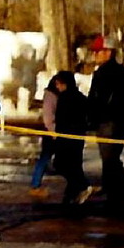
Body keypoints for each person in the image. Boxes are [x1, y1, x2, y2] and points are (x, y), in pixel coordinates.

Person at [86, 35, 124, 219]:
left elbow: (99, 99)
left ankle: (121, 197)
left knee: (110, 160)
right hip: (116, 121)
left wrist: (96, 115)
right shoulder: (121, 72)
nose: (95, 55)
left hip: (109, 122)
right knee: (111, 160)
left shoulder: (107, 74)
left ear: (108, 52)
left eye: (98, 51)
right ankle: (116, 196)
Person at [51, 70, 93, 208]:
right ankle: (72, 195)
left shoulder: (65, 98)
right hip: (77, 136)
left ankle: (82, 186)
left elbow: (62, 118)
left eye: (59, 84)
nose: (57, 86)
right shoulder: (80, 97)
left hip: (67, 136)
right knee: (74, 165)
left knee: (62, 164)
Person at [29, 76, 60, 199]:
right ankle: (35, 186)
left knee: (46, 158)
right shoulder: (51, 96)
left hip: (53, 131)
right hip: (51, 132)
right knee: (45, 158)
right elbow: (48, 117)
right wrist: (53, 132)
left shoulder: (52, 95)